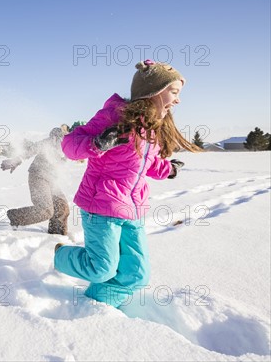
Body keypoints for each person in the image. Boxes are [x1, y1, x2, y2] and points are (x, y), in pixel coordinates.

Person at [54, 60, 200, 308]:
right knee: (100, 269)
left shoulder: (153, 127)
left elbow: (147, 164)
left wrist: (169, 169)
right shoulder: (114, 115)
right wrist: (98, 143)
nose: (178, 100)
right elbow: (70, 145)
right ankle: (60, 255)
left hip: (133, 207)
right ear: (154, 90)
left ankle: (99, 304)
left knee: (137, 275)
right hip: (102, 204)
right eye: (174, 92)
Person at [0, 125, 71, 235]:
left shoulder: (71, 147)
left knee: (62, 207)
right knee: (46, 210)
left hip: (52, 181)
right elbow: (32, 149)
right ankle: (15, 216)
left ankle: (56, 235)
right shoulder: (50, 141)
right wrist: (17, 160)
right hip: (38, 177)